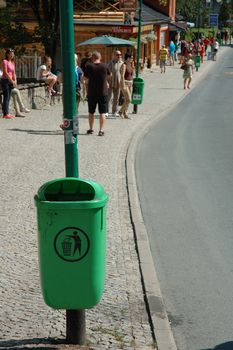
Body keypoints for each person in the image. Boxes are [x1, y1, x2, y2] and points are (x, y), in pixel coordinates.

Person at [84, 51, 110, 136]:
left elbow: (85, 78)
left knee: (91, 112)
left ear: (93, 58)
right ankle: (101, 130)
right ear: (100, 57)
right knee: (102, 112)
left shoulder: (89, 66)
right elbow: (110, 75)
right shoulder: (105, 66)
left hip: (92, 92)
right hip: (103, 92)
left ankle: (91, 129)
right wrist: (104, 80)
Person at [1, 48, 17, 119]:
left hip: (11, 81)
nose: (12, 55)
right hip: (5, 81)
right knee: (6, 96)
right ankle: (5, 113)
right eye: (10, 54)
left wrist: (15, 80)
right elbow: (5, 72)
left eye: (13, 54)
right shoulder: (4, 61)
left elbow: (14, 73)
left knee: (8, 97)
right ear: (7, 54)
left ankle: (7, 113)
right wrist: (11, 80)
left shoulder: (12, 63)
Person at [107, 50, 123, 117]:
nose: (119, 56)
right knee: (109, 97)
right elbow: (107, 72)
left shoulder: (122, 63)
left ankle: (114, 112)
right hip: (110, 82)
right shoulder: (110, 63)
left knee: (116, 98)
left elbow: (122, 73)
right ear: (114, 55)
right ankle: (106, 111)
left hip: (118, 82)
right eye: (117, 55)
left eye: (120, 55)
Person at [118, 53, 134, 119]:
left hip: (130, 83)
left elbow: (131, 74)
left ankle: (125, 113)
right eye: (131, 58)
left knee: (127, 100)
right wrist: (123, 85)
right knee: (129, 99)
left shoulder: (130, 64)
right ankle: (120, 111)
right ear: (128, 58)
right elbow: (122, 75)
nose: (132, 59)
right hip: (125, 83)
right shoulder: (124, 65)